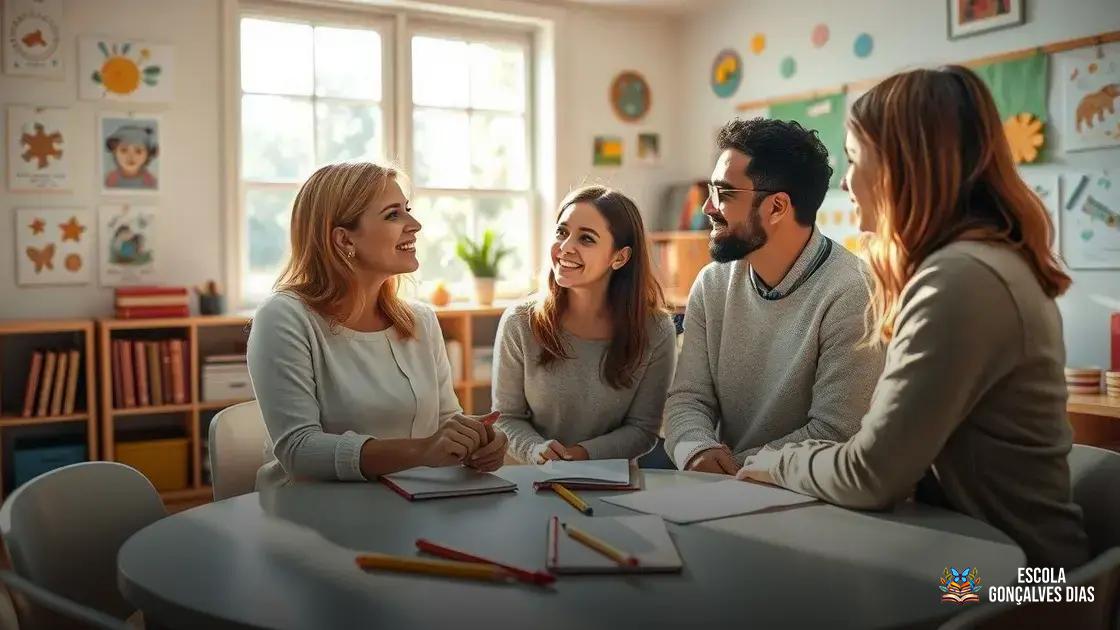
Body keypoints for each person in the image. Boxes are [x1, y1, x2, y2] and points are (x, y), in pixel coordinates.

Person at [737, 66, 1090, 569]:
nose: (846, 180)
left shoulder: (960, 279)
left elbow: (872, 475)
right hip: (975, 559)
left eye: (856, 159)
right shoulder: (980, 263)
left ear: (903, 166)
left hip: (1026, 587)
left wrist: (776, 461)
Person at [248, 162, 508, 489]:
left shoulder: (421, 321)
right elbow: (299, 449)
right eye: (392, 215)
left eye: (407, 210)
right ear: (344, 240)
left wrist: (475, 442)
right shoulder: (284, 317)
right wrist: (422, 450)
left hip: (415, 503)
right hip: (310, 516)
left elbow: (444, 420)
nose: (414, 225)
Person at [663, 118, 884, 475]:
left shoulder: (854, 292)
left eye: (724, 193)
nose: (708, 208)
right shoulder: (712, 284)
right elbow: (688, 400)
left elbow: (836, 432)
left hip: (808, 503)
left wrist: (730, 469)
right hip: (720, 492)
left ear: (778, 207)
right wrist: (696, 449)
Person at [493, 186, 676, 464]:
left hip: (613, 487)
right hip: (532, 479)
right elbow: (506, 418)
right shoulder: (519, 322)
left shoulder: (657, 330)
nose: (565, 248)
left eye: (586, 239)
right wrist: (535, 451)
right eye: (561, 232)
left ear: (620, 257)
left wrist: (578, 455)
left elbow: (643, 429)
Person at [104, 124, 158, 190]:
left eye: (138, 151)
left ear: (147, 154)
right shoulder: (110, 179)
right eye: (124, 150)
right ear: (115, 153)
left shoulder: (151, 181)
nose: (130, 156)